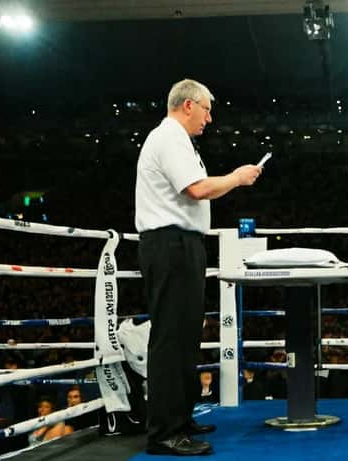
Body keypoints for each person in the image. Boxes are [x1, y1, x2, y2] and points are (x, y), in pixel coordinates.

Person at [135, 78, 262, 456]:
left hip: (183, 243)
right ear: (188, 105)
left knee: (186, 336)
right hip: (169, 243)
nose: (210, 117)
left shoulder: (179, 141)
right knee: (171, 338)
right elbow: (197, 189)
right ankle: (163, 432)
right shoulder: (169, 137)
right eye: (206, 109)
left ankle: (180, 418)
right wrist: (238, 178)